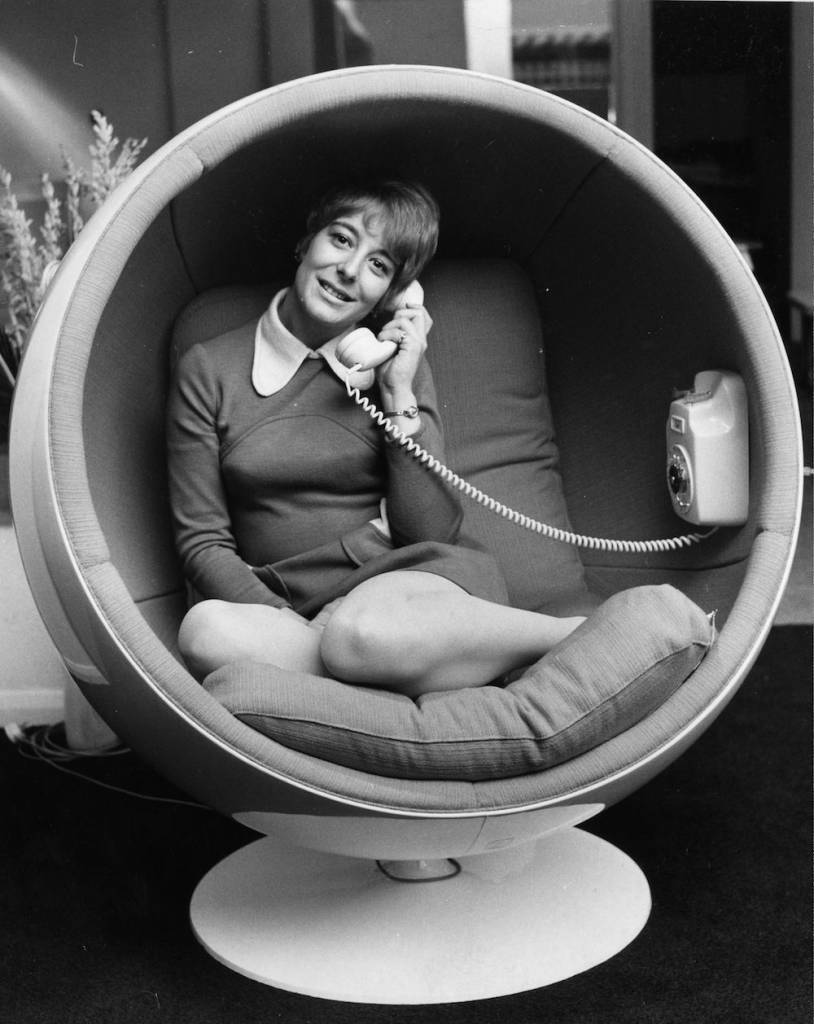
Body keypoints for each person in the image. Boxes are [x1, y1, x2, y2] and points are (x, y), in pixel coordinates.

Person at [167, 179, 585, 698]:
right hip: (292, 604)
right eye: (341, 239)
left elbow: (431, 531)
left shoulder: (394, 367)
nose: (349, 269)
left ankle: (573, 635)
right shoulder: (209, 369)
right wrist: (286, 621)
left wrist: (397, 390)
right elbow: (202, 542)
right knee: (205, 630)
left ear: (391, 295)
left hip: (406, 586)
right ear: (307, 242)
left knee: (362, 632)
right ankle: (395, 667)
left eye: (378, 265)